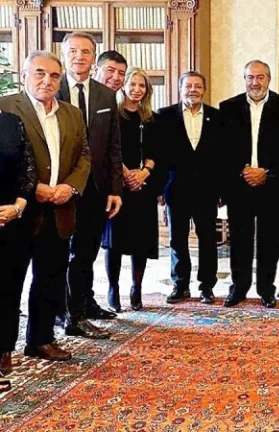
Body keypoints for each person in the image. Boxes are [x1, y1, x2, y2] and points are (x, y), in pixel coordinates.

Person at [0, 50, 91, 362]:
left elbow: (84, 157)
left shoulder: (72, 114)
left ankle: (40, 340)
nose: (47, 80)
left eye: (54, 75)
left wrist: (71, 186)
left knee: (50, 278)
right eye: (39, 73)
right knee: (8, 282)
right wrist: (30, 188)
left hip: (59, 211)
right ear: (24, 75)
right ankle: (3, 348)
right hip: (17, 213)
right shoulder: (5, 108)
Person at [58, 32, 123, 339]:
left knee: (86, 252)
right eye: (73, 51)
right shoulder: (50, 88)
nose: (79, 56)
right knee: (58, 253)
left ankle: (80, 308)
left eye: (86, 52)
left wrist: (115, 189)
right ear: (64, 53)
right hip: (58, 187)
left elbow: (113, 147)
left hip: (96, 188)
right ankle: (66, 312)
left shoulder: (105, 95)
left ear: (93, 58)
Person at [219, 60, 279, 308]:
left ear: (269, 79)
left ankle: (267, 289)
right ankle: (239, 288)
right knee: (240, 239)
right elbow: (223, 148)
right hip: (239, 183)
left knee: (270, 240)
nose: (255, 82)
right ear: (244, 79)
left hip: (273, 183)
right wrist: (243, 170)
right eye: (250, 77)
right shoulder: (228, 107)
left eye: (260, 77)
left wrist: (265, 171)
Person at [156, 71, 223, 304]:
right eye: (188, 86)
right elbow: (160, 156)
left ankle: (206, 286)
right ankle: (180, 285)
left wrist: (221, 191)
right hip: (176, 189)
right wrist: (160, 189)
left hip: (207, 190)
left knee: (207, 239)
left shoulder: (217, 117)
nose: (193, 90)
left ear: (204, 90)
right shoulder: (164, 116)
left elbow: (223, 157)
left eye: (197, 86)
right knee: (177, 239)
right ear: (180, 89)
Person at [102, 67, 161, 312]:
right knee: (115, 241)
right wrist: (126, 174)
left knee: (141, 241)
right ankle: (113, 288)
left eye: (142, 86)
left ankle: (136, 288)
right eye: (133, 84)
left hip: (144, 187)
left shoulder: (152, 118)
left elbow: (159, 151)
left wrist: (145, 172)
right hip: (118, 187)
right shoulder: (113, 115)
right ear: (124, 86)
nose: (137, 89)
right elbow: (107, 149)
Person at [0, 110, 37, 385]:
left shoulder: (12, 122)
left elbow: (28, 170)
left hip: (12, 219)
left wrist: (18, 206)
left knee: (10, 289)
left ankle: (4, 350)